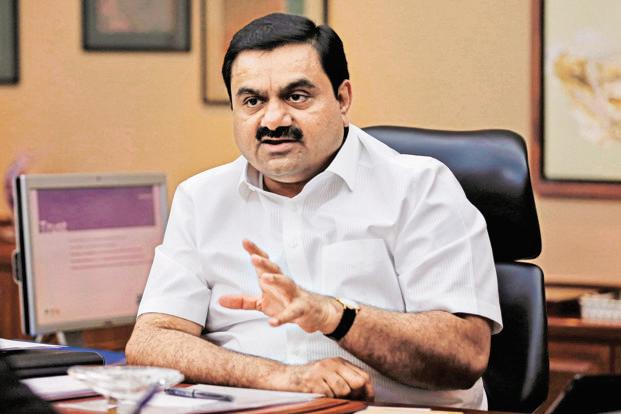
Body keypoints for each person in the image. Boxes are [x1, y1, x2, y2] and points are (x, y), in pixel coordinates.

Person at [126, 13, 502, 410]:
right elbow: (151, 341)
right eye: (253, 101)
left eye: (297, 96)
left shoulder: (420, 188)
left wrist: (334, 316)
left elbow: (464, 354)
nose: (273, 120)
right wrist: (277, 378)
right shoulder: (200, 198)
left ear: (343, 99)